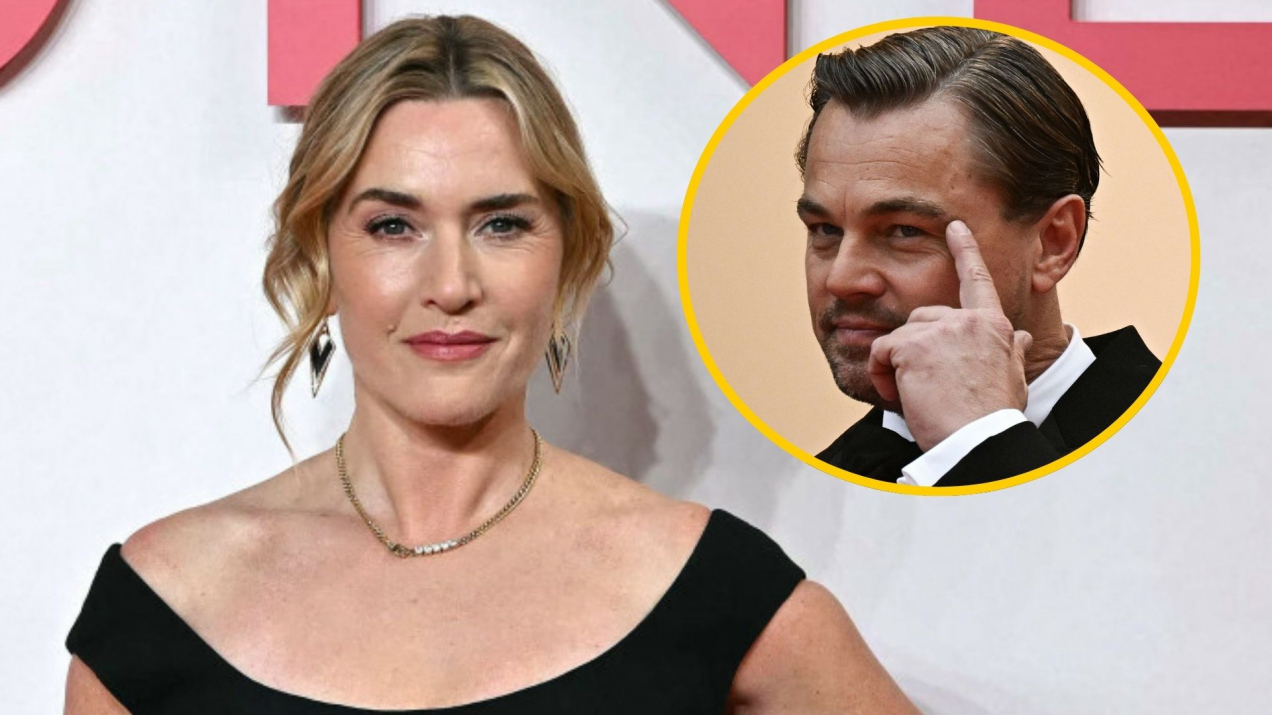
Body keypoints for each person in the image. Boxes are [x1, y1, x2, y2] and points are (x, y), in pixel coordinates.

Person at [63, 15, 918, 714]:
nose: (451, 284)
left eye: (502, 224)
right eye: (393, 226)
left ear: (566, 252)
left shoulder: (708, 590)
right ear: (320, 254)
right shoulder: (165, 601)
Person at [798, 26, 1161, 488]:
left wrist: (980, 442)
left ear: (1052, 243)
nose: (841, 279)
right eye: (825, 230)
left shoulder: (1203, 440)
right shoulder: (811, 491)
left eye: (906, 231)